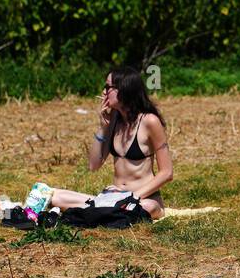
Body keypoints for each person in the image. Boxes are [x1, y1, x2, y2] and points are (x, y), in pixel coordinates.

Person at [46, 67, 173, 219]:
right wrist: (102, 127)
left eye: (108, 87)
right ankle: (106, 210)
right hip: (114, 199)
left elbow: (167, 173)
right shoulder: (114, 120)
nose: (104, 92)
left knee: (148, 207)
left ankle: (103, 211)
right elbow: (94, 165)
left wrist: (133, 197)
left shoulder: (149, 121)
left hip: (143, 199)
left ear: (124, 89)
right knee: (54, 196)